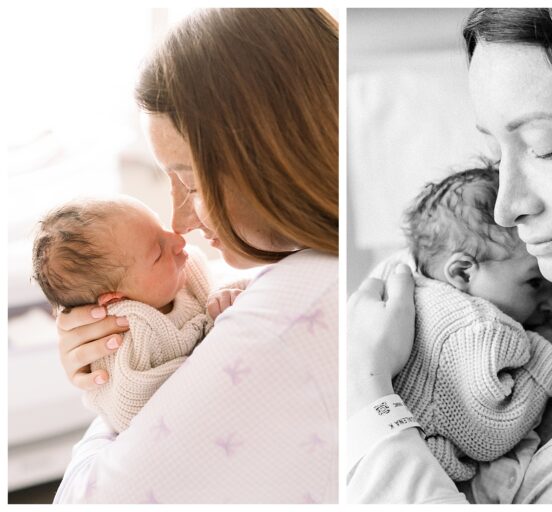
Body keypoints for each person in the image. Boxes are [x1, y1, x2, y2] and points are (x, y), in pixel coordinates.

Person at [347, 8, 552, 504]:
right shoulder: (442, 280)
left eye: (543, 148)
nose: (505, 207)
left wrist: (365, 390)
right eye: (498, 156)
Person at [51, 9, 339, 503]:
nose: (181, 222)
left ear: (271, 158)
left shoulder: (278, 322)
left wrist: (112, 400)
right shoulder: (312, 277)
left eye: (191, 182)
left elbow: (86, 500)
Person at [395, 164, 552, 481]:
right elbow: (488, 434)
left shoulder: (419, 291)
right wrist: (547, 356)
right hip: (415, 473)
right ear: (463, 273)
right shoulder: (481, 326)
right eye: (535, 282)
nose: (551, 302)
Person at [32, 195, 239, 433]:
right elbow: (129, 414)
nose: (178, 239)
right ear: (117, 299)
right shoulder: (126, 332)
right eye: (158, 252)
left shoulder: (184, 274)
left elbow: (230, 291)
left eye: (161, 228)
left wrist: (226, 295)